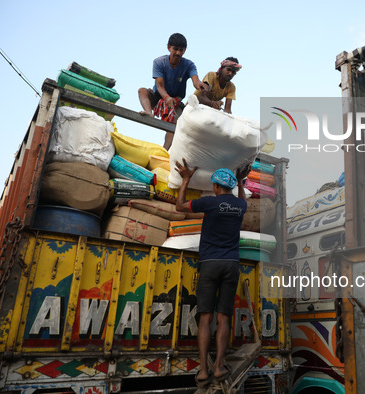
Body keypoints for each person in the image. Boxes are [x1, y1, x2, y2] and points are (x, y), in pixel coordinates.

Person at [174, 159, 251, 388]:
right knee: (223, 317)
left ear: (216, 187)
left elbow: (179, 206)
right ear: (230, 187)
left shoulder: (208, 203)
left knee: (205, 318)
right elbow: (243, 199)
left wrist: (186, 179)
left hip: (209, 263)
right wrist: (240, 181)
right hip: (231, 264)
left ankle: (203, 370)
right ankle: (219, 366)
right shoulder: (240, 206)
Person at [138, 33, 207, 149]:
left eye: (181, 50)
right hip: (159, 96)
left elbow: (195, 80)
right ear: (169, 48)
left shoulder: (189, 65)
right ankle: (149, 112)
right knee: (142, 91)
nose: (178, 53)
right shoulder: (159, 62)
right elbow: (159, 86)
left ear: (185, 51)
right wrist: (166, 97)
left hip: (175, 102)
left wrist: (199, 84)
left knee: (176, 126)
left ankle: (164, 151)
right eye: (175, 49)